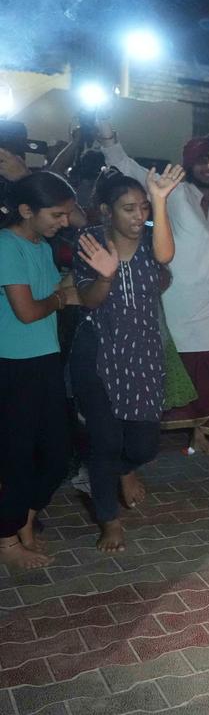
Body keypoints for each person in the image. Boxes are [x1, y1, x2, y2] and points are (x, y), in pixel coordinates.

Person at [98, 105, 209, 455]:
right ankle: (166, 432)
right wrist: (106, 131)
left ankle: (204, 434)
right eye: (199, 162)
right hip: (175, 301)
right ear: (187, 163)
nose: (207, 169)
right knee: (176, 366)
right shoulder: (169, 191)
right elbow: (123, 162)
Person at [71, 167, 184, 551]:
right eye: (128, 209)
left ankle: (125, 469)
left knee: (143, 445)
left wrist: (162, 201)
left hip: (144, 353)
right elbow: (89, 300)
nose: (139, 216)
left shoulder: (154, 238)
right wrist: (105, 275)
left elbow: (166, 257)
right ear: (107, 211)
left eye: (143, 208)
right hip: (99, 353)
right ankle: (109, 520)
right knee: (104, 440)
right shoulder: (90, 241)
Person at [0, 172, 79, 569]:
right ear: (27, 210)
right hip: (12, 365)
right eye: (57, 214)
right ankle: (6, 540)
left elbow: (60, 291)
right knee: (16, 456)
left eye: (66, 214)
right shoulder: (6, 246)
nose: (63, 222)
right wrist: (60, 300)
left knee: (57, 454)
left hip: (45, 359)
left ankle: (25, 520)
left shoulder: (41, 246)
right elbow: (29, 310)